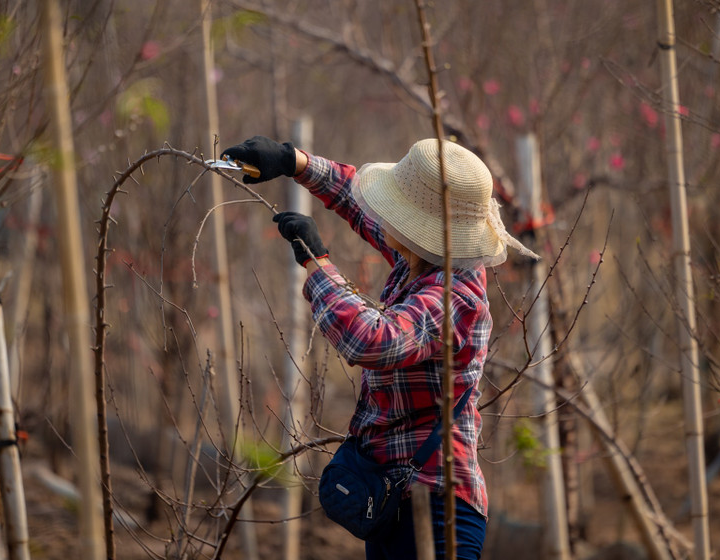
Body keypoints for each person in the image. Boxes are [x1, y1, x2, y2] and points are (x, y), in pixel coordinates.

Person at [222, 136, 537, 560]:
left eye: (395, 210)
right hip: (392, 496)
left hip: (438, 506)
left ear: (420, 227)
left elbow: (373, 340)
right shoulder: (422, 258)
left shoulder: (456, 296)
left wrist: (318, 264)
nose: (382, 217)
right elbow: (356, 203)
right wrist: (294, 162)